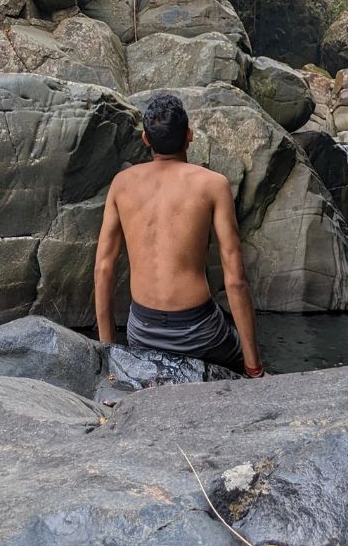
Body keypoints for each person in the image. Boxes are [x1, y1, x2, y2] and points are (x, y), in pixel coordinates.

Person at [93, 90, 264, 377]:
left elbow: (103, 269)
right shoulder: (213, 185)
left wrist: (111, 354)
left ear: (146, 139)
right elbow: (235, 280)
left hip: (142, 333)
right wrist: (254, 368)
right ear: (190, 134)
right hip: (200, 334)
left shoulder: (121, 184)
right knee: (238, 358)